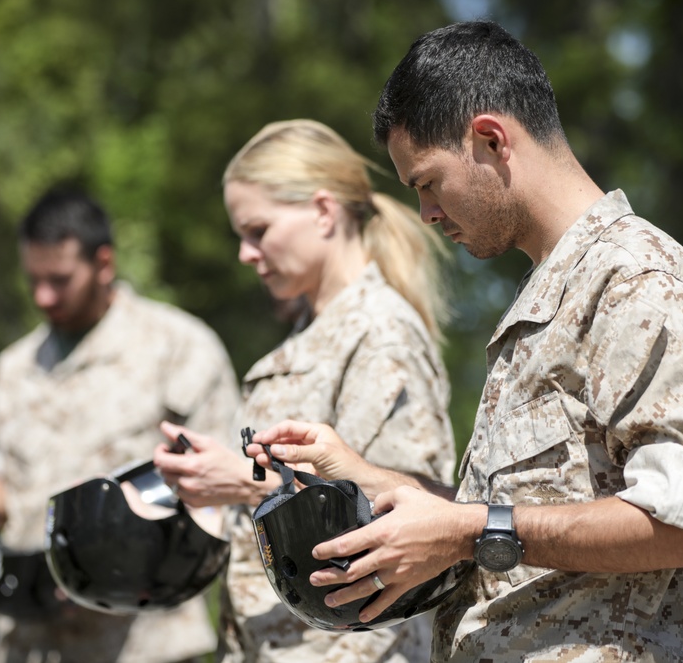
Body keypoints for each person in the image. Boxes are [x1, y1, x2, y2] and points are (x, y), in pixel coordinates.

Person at [247, 21, 683, 663]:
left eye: (428, 182)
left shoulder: (634, 281)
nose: (427, 213)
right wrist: (364, 478)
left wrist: (469, 528)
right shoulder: (547, 297)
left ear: (491, 140)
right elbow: (517, 524)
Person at [151, 119, 456, 663]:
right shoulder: (312, 332)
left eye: (258, 230)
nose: (246, 253)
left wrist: (244, 480)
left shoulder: (380, 332)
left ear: (322, 211)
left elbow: (407, 514)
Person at [0, 188, 241, 663]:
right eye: (33, 280)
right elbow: (9, 507)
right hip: (30, 646)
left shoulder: (179, 349)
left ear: (103, 263)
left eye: (60, 279)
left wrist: (109, 561)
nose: (43, 296)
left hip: (142, 646)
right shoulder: (14, 369)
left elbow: (221, 501)